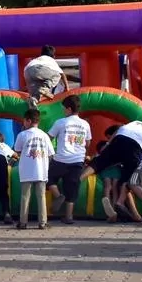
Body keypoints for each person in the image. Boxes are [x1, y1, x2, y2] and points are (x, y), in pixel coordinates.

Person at [47, 94, 90, 224]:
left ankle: (58, 195)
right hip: (77, 161)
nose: (63, 111)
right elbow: (88, 143)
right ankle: (69, 216)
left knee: (48, 177)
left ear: (69, 109)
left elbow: (48, 138)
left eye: (64, 108)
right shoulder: (85, 124)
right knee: (72, 188)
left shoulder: (61, 122)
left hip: (60, 159)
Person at [14, 108, 54, 230]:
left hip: (26, 170)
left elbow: (17, 150)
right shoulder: (44, 135)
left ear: (28, 121)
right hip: (41, 170)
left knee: (25, 197)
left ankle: (23, 222)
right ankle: (43, 222)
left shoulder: (22, 135)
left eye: (24, 121)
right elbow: (51, 153)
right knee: (41, 197)